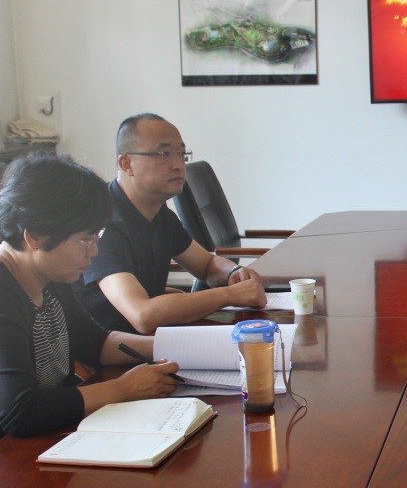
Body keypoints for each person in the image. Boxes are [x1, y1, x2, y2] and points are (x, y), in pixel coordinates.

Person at [0, 152, 181, 477]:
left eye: (96, 237)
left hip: (41, 442)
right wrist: (123, 389)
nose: (94, 251)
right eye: (85, 240)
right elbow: (19, 410)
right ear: (35, 237)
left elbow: (96, 343)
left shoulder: (47, 272)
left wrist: (180, 347)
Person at [75, 113, 268, 333]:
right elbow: (143, 315)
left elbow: (207, 265)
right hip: (112, 349)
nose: (178, 165)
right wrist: (230, 295)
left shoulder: (159, 213)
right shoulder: (103, 222)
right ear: (126, 164)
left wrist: (234, 273)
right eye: (164, 154)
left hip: (152, 340)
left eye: (181, 154)